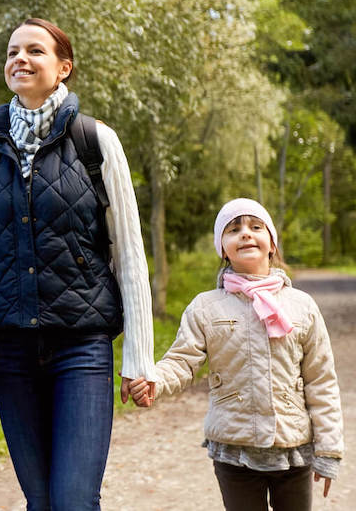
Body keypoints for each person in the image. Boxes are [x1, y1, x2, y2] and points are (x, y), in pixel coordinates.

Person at [0, 18, 156, 511]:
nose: (20, 59)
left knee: (75, 500)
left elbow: (128, 254)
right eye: (13, 50)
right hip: (11, 351)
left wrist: (138, 358)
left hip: (81, 346)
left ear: (63, 67)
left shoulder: (95, 140)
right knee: (40, 502)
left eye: (35, 51)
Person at [129, 198, 344, 511]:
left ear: (272, 244)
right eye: (234, 229)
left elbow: (321, 380)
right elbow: (182, 361)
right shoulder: (205, 307)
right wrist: (154, 381)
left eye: (256, 227)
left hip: (292, 446)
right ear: (222, 248)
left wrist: (328, 451)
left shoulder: (302, 306)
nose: (246, 234)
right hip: (233, 448)